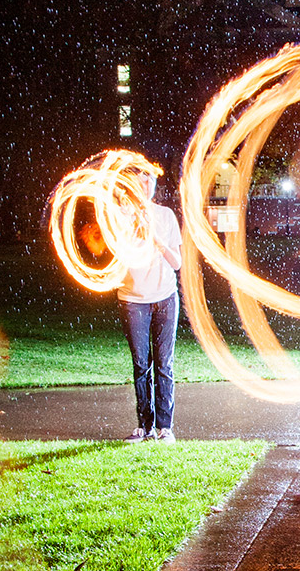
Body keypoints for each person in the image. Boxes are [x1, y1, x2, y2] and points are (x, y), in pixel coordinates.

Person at [116, 166, 184, 443]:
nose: (146, 186)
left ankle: (165, 428)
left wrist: (157, 241)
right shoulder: (120, 217)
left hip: (166, 298)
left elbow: (177, 263)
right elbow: (115, 254)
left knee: (163, 365)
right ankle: (145, 427)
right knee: (141, 364)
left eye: (150, 181)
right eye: (140, 181)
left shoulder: (166, 216)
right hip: (133, 300)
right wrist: (128, 220)